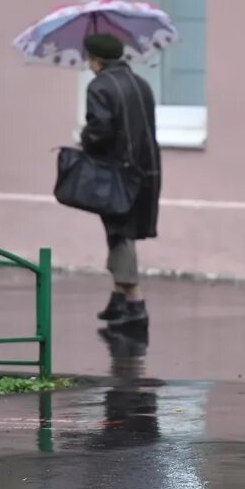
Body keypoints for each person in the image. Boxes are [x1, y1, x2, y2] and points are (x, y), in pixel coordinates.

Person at [80, 33, 162, 329]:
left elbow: (100, 133)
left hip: (116, 172)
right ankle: (117, 301)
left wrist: (85, 138)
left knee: (119, 233)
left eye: (88, 57)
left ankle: (135, 302)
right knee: (122, 229)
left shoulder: (100, 86)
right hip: (147, 169)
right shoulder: (140, 84)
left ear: (96, 60)